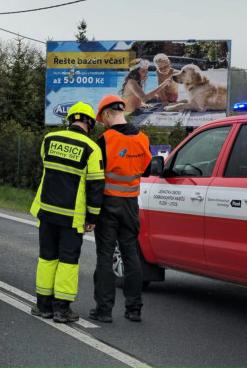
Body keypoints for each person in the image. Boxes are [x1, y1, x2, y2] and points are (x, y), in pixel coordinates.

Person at [30, 102, 104, 323]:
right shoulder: (92, 148)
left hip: (46, 211)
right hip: (72, 216)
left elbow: (47, 167)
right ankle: (62, 310)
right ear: (89, 122)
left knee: (47, 258)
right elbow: (95, 186)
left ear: (70, 119)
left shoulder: (49, 140)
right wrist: (92, 217)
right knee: (68, 262)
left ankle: (43, 306)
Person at [89, 95, 152, 323]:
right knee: (131, 255)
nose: (102, 123)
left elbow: (95, 177)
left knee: (105, 256)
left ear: (106, 114)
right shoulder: (143, 139)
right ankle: (134, 309)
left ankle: (104, 310)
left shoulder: (105, 140)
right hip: (131, 205)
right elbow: (145, 169)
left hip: (108, 204)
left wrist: (91, 211)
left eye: (102, 118)